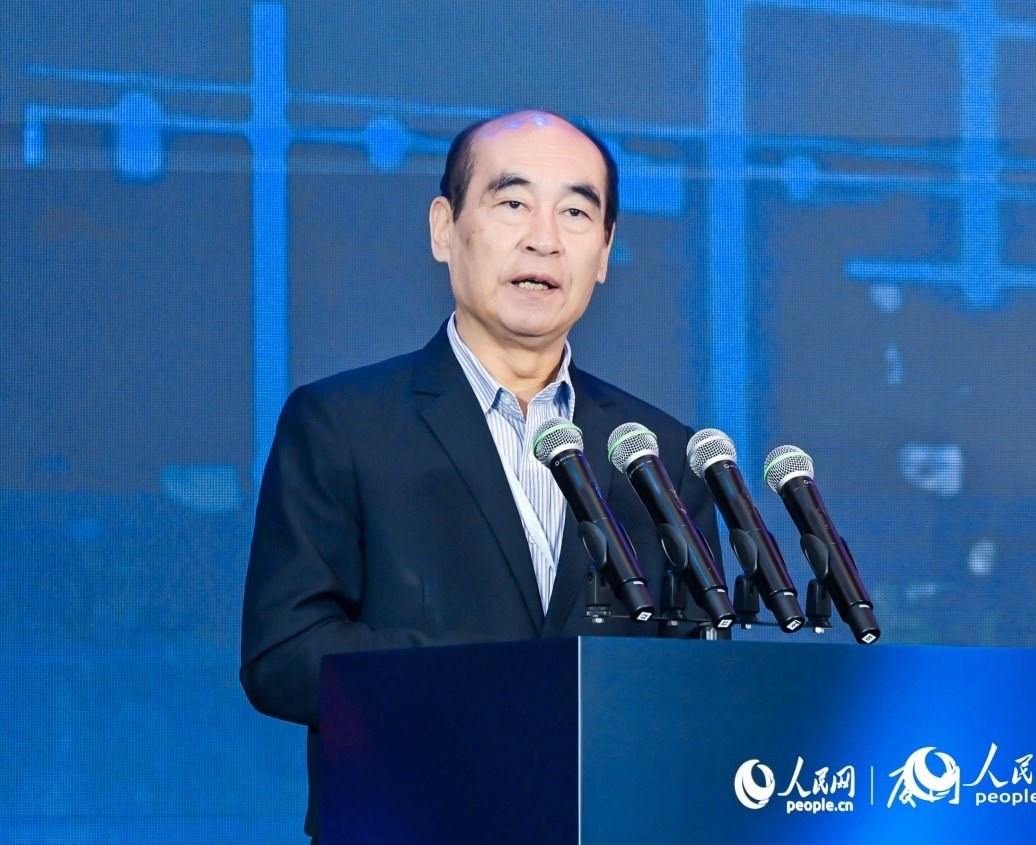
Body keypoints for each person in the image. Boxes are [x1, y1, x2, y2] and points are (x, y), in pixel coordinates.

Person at [239, 110, 724, 840]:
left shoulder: (658, 455)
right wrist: (499, 685)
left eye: (575, 212)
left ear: (603, 251)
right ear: (445, 229)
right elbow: (284, 654)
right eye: (513, 203)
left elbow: (700, 678)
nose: (543, 238)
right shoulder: (343, 423)